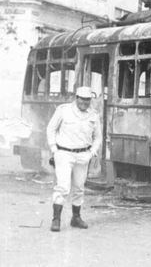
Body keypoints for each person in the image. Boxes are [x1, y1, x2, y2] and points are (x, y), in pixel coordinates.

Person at [46, 86, 101, 232]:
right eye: (82, 99)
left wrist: (92, 152)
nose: (84, 102)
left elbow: (98, 137)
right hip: (64, 153)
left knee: (79, 187)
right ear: (76, 98)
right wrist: (54, 149)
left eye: (87, 99)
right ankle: (56, 219)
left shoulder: (94, 115)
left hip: (83, 155)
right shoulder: (63, 110)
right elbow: (51, 129)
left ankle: (76, 218)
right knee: (63, 187)